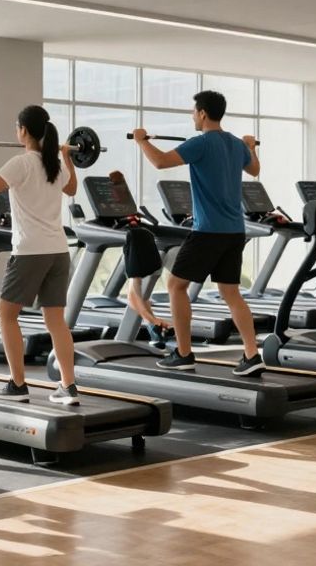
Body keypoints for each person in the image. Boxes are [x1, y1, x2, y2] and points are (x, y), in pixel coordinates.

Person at [132, 90, 263, 377]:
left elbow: (161, 162)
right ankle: (252, 354)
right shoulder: (235, 144)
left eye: (194, 111)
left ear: (202, 113)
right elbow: (254, 169)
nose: (193, 116)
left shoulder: (200, 143)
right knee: (231, 292)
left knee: (176, 286)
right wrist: (251, 146)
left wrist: (142, 141)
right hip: (234, 232)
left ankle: (183, 353)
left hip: (208, 231)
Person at [0, 105, 81, 405]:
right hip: (59, 251)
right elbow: (72, 188)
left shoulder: (21, 163)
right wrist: (68, 158)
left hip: (30, 252)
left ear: (23, 130)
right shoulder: (55, 165)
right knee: (56, 321)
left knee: (6, 314)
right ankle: (69, 387)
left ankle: (18, 384)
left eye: (16, 127)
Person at [109, 171, 174, 341]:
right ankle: (154, 326)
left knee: (135, 293)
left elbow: (132, 298)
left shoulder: (120, 206)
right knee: (140, 294)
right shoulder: (125, 206)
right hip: (142, 240)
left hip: (139, 241)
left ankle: (152, 322)